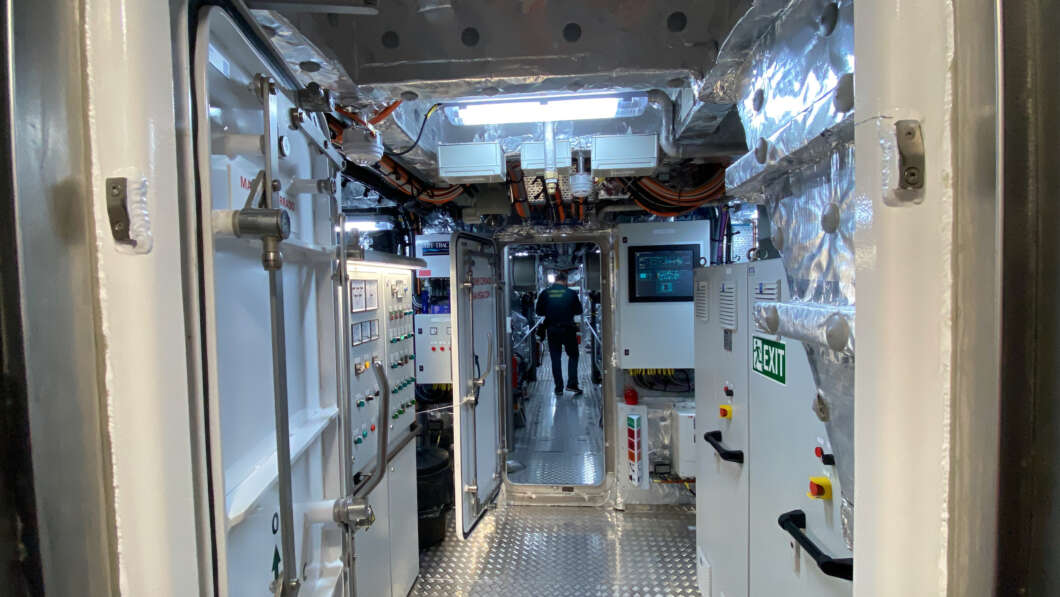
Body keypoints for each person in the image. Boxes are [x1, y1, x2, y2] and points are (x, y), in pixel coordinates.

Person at [535, 271, 583, 396]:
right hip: (568, 329)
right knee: (573, 355)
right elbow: (579, 311)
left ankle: (558, 388)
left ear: (555, 280)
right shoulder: (571, 293)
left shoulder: (545, 293)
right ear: (565, 281)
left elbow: (539, 312)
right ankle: (572, 384)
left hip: (552, 329)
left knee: (555, 358)